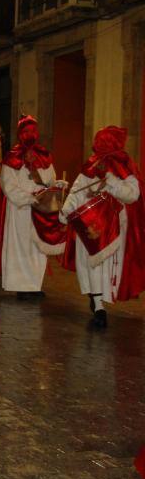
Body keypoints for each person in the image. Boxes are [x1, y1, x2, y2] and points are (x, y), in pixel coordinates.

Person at [60, 126, 145, 328]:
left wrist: (110, 181)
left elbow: (132, 195)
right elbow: (77, 191)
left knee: (103, 267)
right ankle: (97, 304)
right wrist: (65, 211)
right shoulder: (91, 165)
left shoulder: (125, 166)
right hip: (88, 224)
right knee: (90, 264)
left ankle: (99, 303)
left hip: (112, 228)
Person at [0, 116, 68, 299]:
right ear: (20, 134)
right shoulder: (12, 157)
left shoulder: (44, 156)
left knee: (37, 248)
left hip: (40, 210)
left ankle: (34, 285)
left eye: (33, 130)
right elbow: (7, 185)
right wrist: (28, 198)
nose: (30, 134)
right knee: (20, 248)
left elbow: (49, 181)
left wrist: (58, 185)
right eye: (26, 131)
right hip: (21, 210)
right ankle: (21, 286)